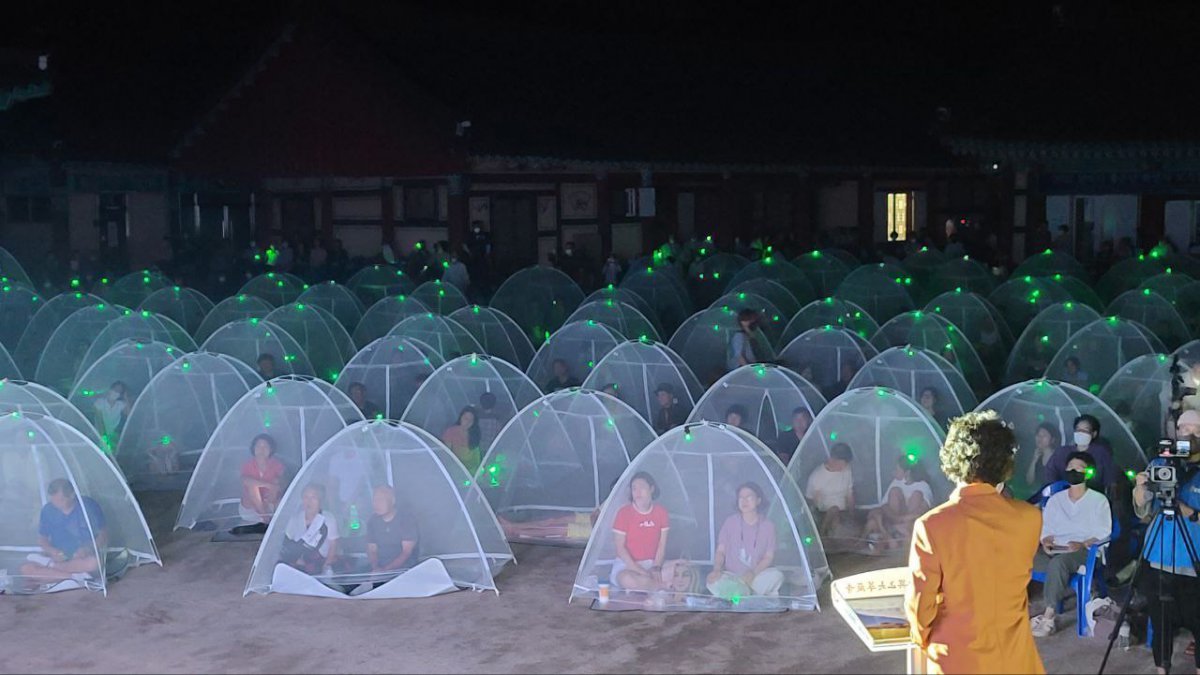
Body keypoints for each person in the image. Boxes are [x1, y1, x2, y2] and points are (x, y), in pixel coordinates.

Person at [906, 410, 1044, 674]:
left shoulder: (931, 525)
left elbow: (921, 604)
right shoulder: (1030, 518)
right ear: (1005, 464)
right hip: (1015, 655)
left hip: (956, 655)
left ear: (952, 460)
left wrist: (921, 638)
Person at [1132, 410, 1200, 675]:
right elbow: (1143, 511)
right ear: (1176, 432)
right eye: (1185, 429)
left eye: (1196, 430)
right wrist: (1140, 490)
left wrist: (1188, 511)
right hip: (1158, 557)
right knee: (1160, 623)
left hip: (1193, 562)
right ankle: (1162, 669)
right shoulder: (1161, 463)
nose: (1190, 435)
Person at [1030, 451, 1112, 637]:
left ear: (1089, 472)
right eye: (1070, 468)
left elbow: (1104, 532)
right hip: (1057, 548)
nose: (1074, 471)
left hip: (1085, 551)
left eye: (1079, 468)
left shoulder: (1098, 501)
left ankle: (1049, 617)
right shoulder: (1055, 500)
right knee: (1024, 558)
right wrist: (1046, 541)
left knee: (1059, 564)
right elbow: (1047, 528)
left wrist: (1082, 544)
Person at [18, 479, 106, 588]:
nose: (56, 505)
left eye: (60, 500)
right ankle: (75, 578)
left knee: (94, 563)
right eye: (53, 501)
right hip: (58, 557)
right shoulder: (48, 510)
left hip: (81, 558)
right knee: (25, 568)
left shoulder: (88, 506)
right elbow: (42, 539)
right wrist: (53, 551)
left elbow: (103, 535)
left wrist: (88, 548)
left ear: (72, 495)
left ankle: (52, 574)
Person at [706, 482, 784, 600]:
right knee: (712, 582)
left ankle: (737, 596)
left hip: (756, 576)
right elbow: (720, 551)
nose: (744, 501)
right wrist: (717, 570)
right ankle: (749, 596)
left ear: (758, 500)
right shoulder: (730, 522)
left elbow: (768, 557)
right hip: (732, 576)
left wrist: (752, 573)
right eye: (741, 498)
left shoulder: (768, 526)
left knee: (777, 575)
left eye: (749, 497)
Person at [610, 472, 670, 590]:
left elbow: (662, 545)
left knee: (684, 569)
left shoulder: (661, 512)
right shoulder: (624, 513)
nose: (637, 492)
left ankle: (650, 585)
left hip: (652, 564)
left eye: (642, 487)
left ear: (651, 489)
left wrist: (656, 567)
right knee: (627, 579)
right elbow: (620, 548)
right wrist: (639, 570)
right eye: (634, 488)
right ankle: (662, 587)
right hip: (627, 565)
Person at [863, 457, 934, 553]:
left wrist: (902, 519)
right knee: (894, 492)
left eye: (897, 469)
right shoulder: (896, 483)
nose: (893, 472)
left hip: (909, 521)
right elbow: (884, 505)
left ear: (907, 473)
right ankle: (889, 535)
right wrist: (895, 518)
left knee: (917, 495)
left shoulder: (923, 486)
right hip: (894, 519)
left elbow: (923, 510)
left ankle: (894, 536)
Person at [231, 434, 286, 535]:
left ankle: (264, 523)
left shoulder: (276, 465)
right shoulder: (247, 465)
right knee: (253, 486)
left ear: (271, 449)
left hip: (270, 505)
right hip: (250, 508)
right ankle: (265, 519)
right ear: (254, 448)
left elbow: (281, 483)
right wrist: (268, 485)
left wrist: (273, 486)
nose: (262, 449)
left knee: (276, 482)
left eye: (265, 446)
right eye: (259, 446)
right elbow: (245, 480)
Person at [280, 483, 340, 575]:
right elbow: (286, 542)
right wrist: (295, 560)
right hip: (298, 562)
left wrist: (327, 565)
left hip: (321, 561)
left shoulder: (328, 518)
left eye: (313, 498)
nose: (309, 501)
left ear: (320, 500)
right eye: (306, 497)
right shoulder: (295, 518)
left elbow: (333, 545)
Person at [1044, 414, 1115, 490]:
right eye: (1078, 429)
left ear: (1094, 434)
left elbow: (1109, 478)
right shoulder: (1062, 452)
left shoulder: (1101, 453)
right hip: (1063, 494)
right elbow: (1050, 474)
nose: (1081, 432)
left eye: (1085, 430)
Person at [365, 485, 419, 574]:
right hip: (379, 571)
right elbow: (372, 550)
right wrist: (376, 568)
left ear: (392, 501)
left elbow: (406, 552)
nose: (377, 504)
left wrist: (385, 571)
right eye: (375, 500)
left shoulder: (406, 520)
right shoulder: (372, 521)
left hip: (404, 572)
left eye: (381, 500)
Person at [805, 443, 855, 537]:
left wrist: (851, 515)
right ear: (833, 459)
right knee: (834, 510)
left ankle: (832, 537)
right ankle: (822, 534)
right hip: (824, 513)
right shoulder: (817, 476)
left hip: (843, 512)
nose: (844, 467)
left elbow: (850, 495)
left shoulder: (847, 470)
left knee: (844, 527)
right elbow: (811, 501)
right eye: (843, 464)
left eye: (846, 464)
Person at [1022, 422, 1061, 496]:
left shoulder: (1058, 457)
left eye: (1044, 435)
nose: (1040, 438)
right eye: (1038, 435)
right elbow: (1029, 481)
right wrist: (1034, 460)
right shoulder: (1035, 456)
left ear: (1052, 440)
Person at [441, 406, 482, 473]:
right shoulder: (451, 432)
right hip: (455, 470)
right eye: (465, 418)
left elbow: (477, 459)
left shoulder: (475, 435)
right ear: (460, 417)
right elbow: (446, 455)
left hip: (473, 471)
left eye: (471, 420)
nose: (467, 422)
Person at [92, 381, 129, 451]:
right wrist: (104, 438)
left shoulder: (120, 404)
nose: (116, 392)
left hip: (112, 435)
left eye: (119, 391)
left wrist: (126, 398)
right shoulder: (99, 402)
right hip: (98, 435)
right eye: (115, 389)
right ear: (110, 389)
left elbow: (129, 415)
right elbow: (99, 421)